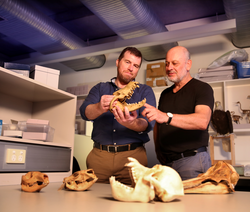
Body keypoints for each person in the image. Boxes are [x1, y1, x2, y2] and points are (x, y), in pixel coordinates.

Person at [80, 47, 156, 184]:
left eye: (136, 65)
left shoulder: (145, 91)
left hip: (132, 158)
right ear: (118, 62)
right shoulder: (100, 88)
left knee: (135, 201)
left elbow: (148, 123)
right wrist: (99, 107)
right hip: (99, 157)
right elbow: (85, 112)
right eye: (127, 62)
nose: (131, 68)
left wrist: (131, 123)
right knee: (94, 201)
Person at [142, 46, 214, 180]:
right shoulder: (165, 94)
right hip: (167, 163)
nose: (169, 68)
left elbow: (202, 121)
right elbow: (159, 123)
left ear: (188, 64)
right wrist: (157, 149)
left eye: (175, 63)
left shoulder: (202, 88)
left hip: (191, 162)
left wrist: (166, 117)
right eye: (167, 64)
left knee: (192, 201)